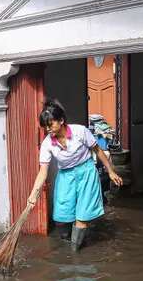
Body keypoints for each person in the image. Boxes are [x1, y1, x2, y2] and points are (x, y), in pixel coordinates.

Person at [27, 99, 123, 252]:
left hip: (86, 173)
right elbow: (42, 172)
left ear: (61, 120)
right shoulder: (47, 144)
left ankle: (74, 254)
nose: (48, 129)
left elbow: (98, 150)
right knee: (62, 217)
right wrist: (33, 195)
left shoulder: (80, 131)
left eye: (50, 124)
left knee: (82, 217)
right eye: (45, 126)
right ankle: (71, 242)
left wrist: (110, 171)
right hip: (65, 176)